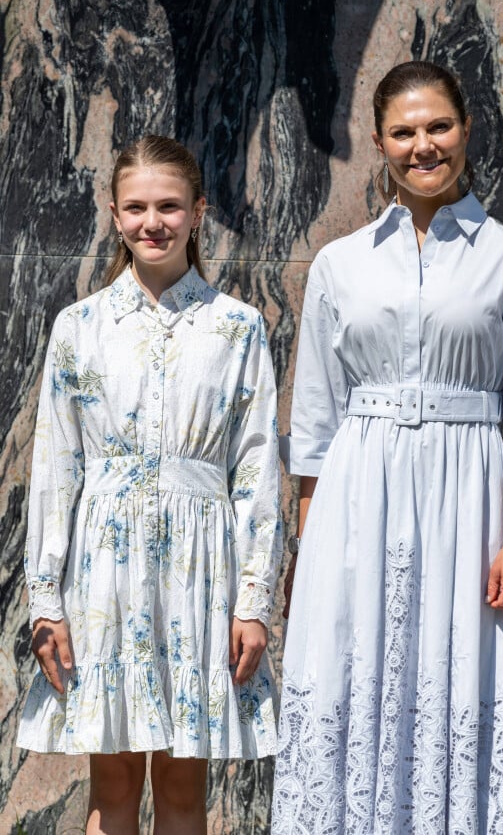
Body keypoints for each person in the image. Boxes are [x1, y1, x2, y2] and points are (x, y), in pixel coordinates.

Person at [271, 60, 503, 833]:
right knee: (350, 675)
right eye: (404, 132)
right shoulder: (341, 264)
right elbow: (313, 425)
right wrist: (306, 550)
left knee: (452, 681)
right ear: (379, 142)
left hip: (468, 495)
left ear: (467, 130)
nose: (423, 146)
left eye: (437, 126)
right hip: (356, 494)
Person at [17, 134, 282, 834]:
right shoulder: (79, 328)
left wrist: (253, 600)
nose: (152, 222)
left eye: (169, 205)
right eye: (136, 207)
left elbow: (256, 466)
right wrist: (46, 596)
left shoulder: (238, 328)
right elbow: (55, 467)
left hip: (201, 572)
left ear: (198, 212)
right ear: (113, 213)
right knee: (112, 776)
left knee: (183, 778)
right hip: (104, 570)